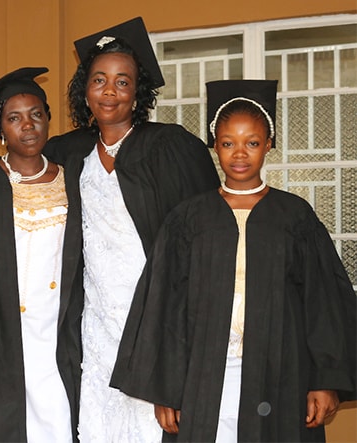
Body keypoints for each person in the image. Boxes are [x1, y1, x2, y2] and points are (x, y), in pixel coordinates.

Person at [0, 17, 220, 442]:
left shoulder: (172, 148)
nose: (109, 91)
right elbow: (24, 159)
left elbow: (205, 239)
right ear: (84, 89)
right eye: (99, 80)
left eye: (122, 81)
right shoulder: (71, 151)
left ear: (138, 90)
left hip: (153, 316)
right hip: (92, 323)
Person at [110, 79, 357, 442]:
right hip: (204, 373)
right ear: (215, 146)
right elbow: (165, 306)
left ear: (268, 145)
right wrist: (166, 389)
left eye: (252, 143)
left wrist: (325, 380)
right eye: (228, 143)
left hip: (282, 372)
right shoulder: (188, 219)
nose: (239, 154)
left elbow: (322, 303)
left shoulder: (295, 217)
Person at [0, 67, 82, 443]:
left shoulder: (73, 178)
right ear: (0, 130)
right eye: (14, 118)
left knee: (57, 420)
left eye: (36, 115)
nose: (27, 126)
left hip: (60, 332)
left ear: (48, 120)